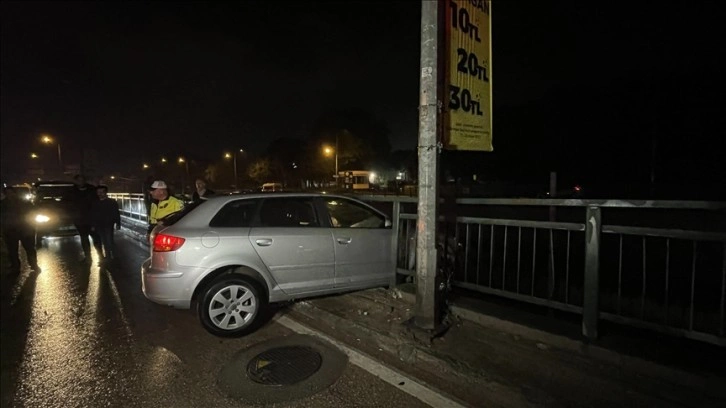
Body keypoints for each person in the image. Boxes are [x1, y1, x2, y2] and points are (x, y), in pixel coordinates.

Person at [1, 186, 39, 273]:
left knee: (30, 249)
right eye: (7, 193)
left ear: (14, 193)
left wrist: (31, 226)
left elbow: (33, 213)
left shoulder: (24, 203)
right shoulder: (3, 204)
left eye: (11, 192)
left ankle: (33, 265)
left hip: (24, 229)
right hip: (10, 231)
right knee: (12, 251)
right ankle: (15, 267)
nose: (10, 195)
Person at [72, 174, 102, 263]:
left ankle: (101, 256)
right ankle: (88, 257)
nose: (80, 182)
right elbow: (69, 204)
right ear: (76, 181)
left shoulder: (92, 189)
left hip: (91, 219)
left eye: (82, 180)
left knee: (96, 238)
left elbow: (97, 203)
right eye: (78, 180)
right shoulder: (72, 190)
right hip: (79, 220)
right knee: (84, 239)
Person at [90, 185, 121, 262]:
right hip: (99, 225)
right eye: (98, 192)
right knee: (104, 241)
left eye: (102, 192)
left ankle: (113, 255)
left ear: (105, 192)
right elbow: (93, 214)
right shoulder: (95, 203)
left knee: (109, 240)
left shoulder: (112, 202)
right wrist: (93, 225)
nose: (100, 194)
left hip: (108, 224)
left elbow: (116, 213)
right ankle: (109, 256)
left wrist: (118, 223)